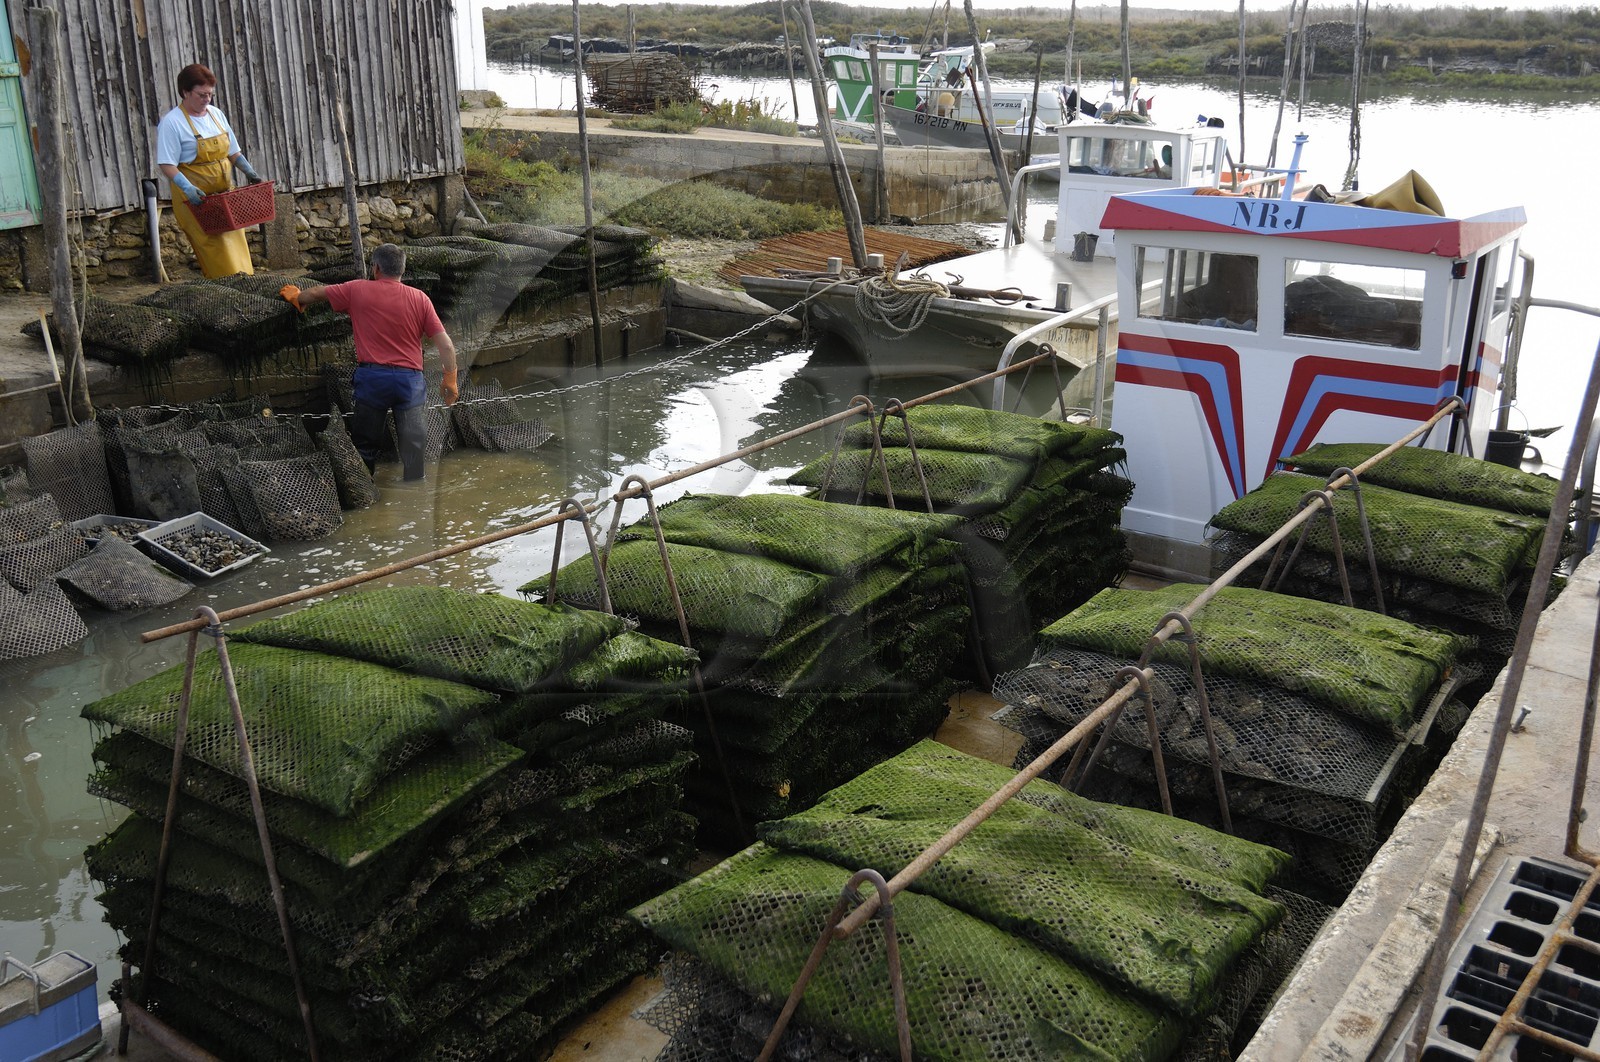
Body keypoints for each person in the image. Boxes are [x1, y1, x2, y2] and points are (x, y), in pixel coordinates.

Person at [279, 244, 460, 481]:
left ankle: (365, 497)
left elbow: (315, 294)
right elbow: (446, 346)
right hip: (410, 382)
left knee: (364, 447)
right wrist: (450, 379)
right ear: (402, 270)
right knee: (414, 450)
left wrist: (296, 297)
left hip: (373, 380)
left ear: (375, 268)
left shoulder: (357, 289)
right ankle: (415, 501)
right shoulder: (420, 299)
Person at [155, 63, 264, 278]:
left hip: (224, 196)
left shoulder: (216, 115)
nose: (207, 100)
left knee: (236, 245)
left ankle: (246, 284)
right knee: (216, 250)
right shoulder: (172, 123)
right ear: (185, 92)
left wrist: (248, 170)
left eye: (210, 95)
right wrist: (187, 188)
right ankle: (225, 292)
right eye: (202, 95)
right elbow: (167, 163)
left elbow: (232, 151)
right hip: (197, 201)